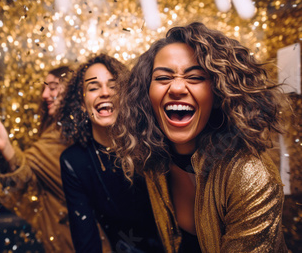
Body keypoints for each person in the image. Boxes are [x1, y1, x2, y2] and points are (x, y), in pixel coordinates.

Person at [113, 22, 288, 252]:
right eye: (163, 78)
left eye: (195, 77)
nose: (176, 88)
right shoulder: (153, 160)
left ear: (218, 94)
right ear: (147, 96)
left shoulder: (251, 175)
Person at [0, 66, 77, 252]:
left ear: (71, 90)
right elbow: (33, 191)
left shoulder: (66, 136)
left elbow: (27, 178)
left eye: (52, 87)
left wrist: (7, 148)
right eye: (44, 88)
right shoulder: (57, 131)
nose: (44, 94)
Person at [58, 54, 163, 252]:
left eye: (114, 86)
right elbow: (86, 240)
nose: (105, 93)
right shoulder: (75, 162)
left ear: (126, 95)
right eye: (93, 87)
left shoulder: (152, 140)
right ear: (82, 103)